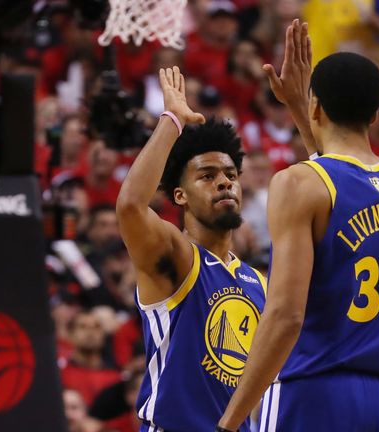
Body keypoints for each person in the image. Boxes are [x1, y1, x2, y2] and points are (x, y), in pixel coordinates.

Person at [219, 20, 379, 430]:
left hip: (310, 390)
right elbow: (339, 185)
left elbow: (285, 317)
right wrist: (301, 106)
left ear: (318, 108)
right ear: (375, 113)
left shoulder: (297, 183)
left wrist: (229, 421)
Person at [115, 66, 266, 431]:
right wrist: (172, 121)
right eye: (207, 176)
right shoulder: (177, 255)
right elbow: (131, 207)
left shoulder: (260, 283)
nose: (224, 183)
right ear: (179, 195)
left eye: (230, 175)